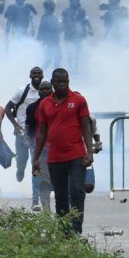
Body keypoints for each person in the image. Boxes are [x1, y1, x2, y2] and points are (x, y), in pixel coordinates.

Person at [32, 68, 94, 235]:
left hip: (76, 155)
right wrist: (36, 158)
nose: (62, 84)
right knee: (60, 196)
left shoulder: (79, 100)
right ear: (52, 83)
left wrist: (90, 152)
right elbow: (42, 132)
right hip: (54, 158)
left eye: (65, 81)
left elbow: (86, 127)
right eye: (59, 82)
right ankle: (64, 231)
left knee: (76, 190)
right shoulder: (45, 104)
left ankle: (76, 229)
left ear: (68, 81)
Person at [5, 66, 42, 206]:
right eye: (34, 74)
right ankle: (20, 170)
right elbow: (7, 108)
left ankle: (35, 200)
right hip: (21, 134)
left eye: (39, 74)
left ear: (43, 76)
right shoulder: (23, 91)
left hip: (37, 135)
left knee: (36, 165)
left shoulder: (45, 92)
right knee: (22, 160)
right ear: (30, 76)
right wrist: (15, 125)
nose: (37, 76)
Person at [25, 81, 54, 211]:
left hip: (57, 147)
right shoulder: (32, 108)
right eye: (42, 89)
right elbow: (29, 126)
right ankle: (41, 204)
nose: (44, 91)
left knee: (58, 179)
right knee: (39, 176)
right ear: (38, 91)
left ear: (51, 90)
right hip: (40, 149)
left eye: (47, 89)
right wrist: (28, 139)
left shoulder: (58, 105)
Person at [62, 0, 93, 74]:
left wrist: (90, 29)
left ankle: (76, 68)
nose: (74, 1)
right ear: (70, 0)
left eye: (76, 0)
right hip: (69, 35)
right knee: (69, 52)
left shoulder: (82, 11)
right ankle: (70, 68)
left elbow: (86, 20)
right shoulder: (66, 11)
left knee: (78, 53)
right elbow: (63, 22)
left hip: (79, 35)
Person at [37, 0, 62, 71]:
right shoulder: (47, 17)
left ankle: (53, 72)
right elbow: (44, 29)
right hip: (51, 42)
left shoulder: (50, 16)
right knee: (50, 59)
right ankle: (40, 72)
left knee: (56, 58)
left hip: (53, 41)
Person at [83, 115, 103, 194]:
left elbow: (95, 130)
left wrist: (98, 143)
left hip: (86, 155)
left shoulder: (92, 119)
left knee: (89, 186)